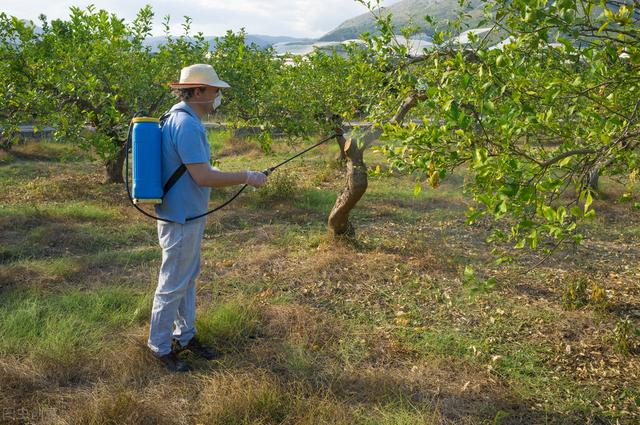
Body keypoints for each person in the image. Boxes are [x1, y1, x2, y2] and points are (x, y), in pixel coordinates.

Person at [147, 64, 267, 372]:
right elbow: (202, 176)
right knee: (173, 283)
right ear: (198, 91)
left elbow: (197, 171)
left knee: (185, 280)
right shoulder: (186, 124)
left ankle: (184, 337)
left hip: (184, 214)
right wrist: (246, 176)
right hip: (182, 217)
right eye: (214, 91)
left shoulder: (177, 118)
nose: (218, 96)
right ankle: (159, 347)